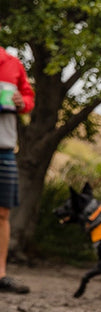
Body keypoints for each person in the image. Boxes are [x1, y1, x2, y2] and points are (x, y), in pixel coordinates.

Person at [0, 47, 35, 294]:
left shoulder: (13, 64)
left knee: (2, 213)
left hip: (4, 146)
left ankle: (0, 275)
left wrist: (23, 103)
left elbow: (28, 97)